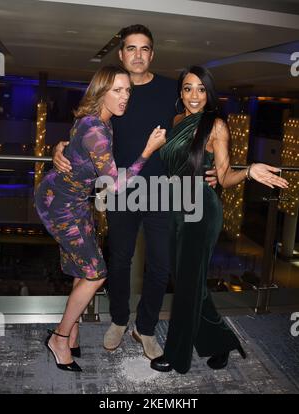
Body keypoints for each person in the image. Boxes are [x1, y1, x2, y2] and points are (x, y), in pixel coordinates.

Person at [53, 24, 218, 361]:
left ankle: (144, 328)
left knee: (159, 264)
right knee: (120, 260)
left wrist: (213, 166)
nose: (138, 55)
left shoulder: (171, 89)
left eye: (145, 49)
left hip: (161, 190)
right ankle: (117, 319)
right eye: (131, 48)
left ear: (152, 54)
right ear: (121, 53)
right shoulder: (112, 88)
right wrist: (61, 145)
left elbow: (200, 118)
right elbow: (86, 124)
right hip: (119, 189)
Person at [150, 66, 289, 374]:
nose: (194, 95)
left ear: (209, 92)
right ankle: (222, 341)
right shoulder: (176, 121)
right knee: (191, 283)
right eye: (188, 88)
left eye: (201, 89)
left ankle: (176, 355)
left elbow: (224, 178)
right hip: (174, 206)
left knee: (187, 286)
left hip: (201, 209)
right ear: (181, 92)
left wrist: (250, 170)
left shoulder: (217, 126)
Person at [35, 64, 166, 372]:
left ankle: (72, 331)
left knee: (85, 269)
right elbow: (115, 183)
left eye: (127, 91)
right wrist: (148, 150)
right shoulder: (97, 128)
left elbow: (75, 146)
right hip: (61, 205)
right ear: (101, 91)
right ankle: (59, 336)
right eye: (116, 91)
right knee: (96, 274)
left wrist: (61, 146)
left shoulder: (99, 120)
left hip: (75, 202)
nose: (124, 98)